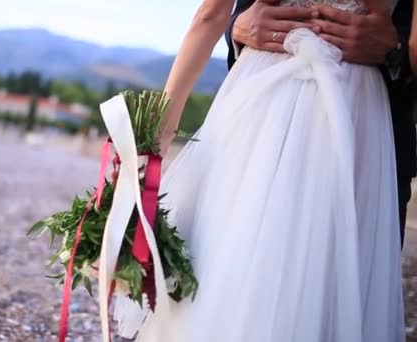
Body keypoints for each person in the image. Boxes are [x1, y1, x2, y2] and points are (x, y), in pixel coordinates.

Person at [111, 0, 415, 341]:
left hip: (263, 100)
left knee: (232, 262)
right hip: (352, 110)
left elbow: (209, 16)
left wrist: (153, 140)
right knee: (333, 277)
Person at [227, 0, 416, 247]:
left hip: (371, 137)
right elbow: (229, 13)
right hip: (262, 120)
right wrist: (237, 26)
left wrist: (396, 50)